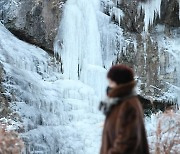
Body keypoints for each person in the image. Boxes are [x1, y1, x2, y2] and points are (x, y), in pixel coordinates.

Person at [99, 64, 149, 154]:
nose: (109, 85)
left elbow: (128, 141)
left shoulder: (128, 104)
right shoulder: (120, 102)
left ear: (119, 82)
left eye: (111, 82)